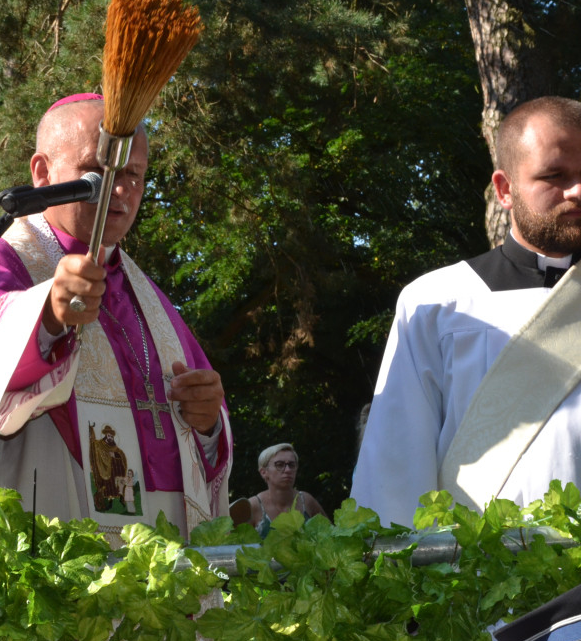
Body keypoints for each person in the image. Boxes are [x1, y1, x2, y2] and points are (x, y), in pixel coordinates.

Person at [0, 93, 232, 541]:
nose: (119, 190)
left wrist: (209, 422)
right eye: (98, 170)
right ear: (42, 173)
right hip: (49, 526)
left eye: (134, 175)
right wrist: (46, 317)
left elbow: (203, 439)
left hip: (163, 546)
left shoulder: (151, 299)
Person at [351, 96, 581, 527]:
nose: (577, 190)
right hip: (478, 581)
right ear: (504, 189)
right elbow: (395, 470)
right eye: (554, 176)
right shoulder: (437, 302)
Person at [244, 443, 325, 539]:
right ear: (264, 472)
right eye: (279, 465)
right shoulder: (253, 506)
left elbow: (332, 537)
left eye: (292, 465)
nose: (287, 470)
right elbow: (234, 547)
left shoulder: (306, 501)